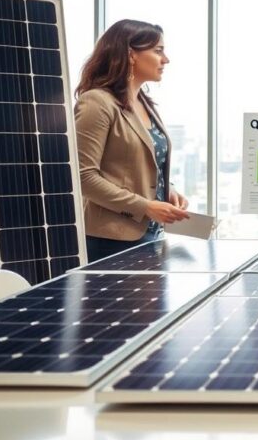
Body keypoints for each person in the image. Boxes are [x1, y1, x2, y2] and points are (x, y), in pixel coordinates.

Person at [74, 19, 190, 262]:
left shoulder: (145, 104)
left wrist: (167, 191)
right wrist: (145, 206)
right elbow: (83, 177)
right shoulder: (96, 103)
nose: (165, 59)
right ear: (131, 55)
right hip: (110, 241)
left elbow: (139, 164)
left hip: (152, 235)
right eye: (158, 51)